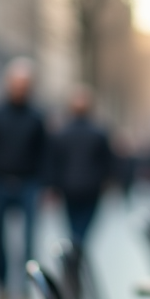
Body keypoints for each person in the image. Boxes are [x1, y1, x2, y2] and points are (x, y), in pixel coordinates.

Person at [0, 58, 48, 299]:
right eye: (17, 83)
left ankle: (25, 292)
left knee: (28, 242)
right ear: (9, 84)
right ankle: (2, 288)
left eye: (24, 84)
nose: (20, 88)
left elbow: (44, 153)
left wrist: (43, 186)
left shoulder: (37, 116)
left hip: (29, 183)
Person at [50, 85, 112, 248]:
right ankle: (78, 250)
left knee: (72, 226)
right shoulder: (99, 132)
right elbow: (108, 162)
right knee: (84, 227)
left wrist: (54, 186)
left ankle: (76, 250)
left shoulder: (61, 133)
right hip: (91, 188)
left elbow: (55, 162)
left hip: (68, 187)